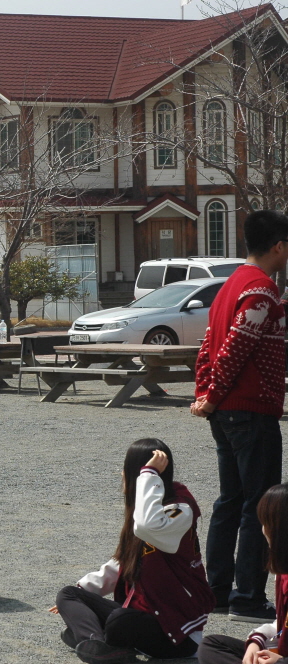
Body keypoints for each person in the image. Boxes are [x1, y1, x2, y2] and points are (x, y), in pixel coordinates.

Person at [191, 209, 288, 621]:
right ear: (279, 246)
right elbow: (236, 349)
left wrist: (204, 394)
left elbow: (208, 347)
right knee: (259, 504)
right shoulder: (261, 290)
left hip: (226, 412)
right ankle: (248, 598)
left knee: (230, 501)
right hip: (251, 408)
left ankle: (217, 591)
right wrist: (212, 395)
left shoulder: (230, 285)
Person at [51, 439, 213, 664]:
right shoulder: (143, 511)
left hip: (176, 634)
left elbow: (147, 526)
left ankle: (97, 640)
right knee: (68, 594)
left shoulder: (179, 509)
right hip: (143, 614)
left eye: (126, 469)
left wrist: (148, 473)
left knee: (120, 621)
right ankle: (94, 643)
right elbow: (123, 562)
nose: (121, 474)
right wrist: (83, 595)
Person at [197, 483, 288, 664]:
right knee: (211, 645)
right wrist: (256, 642)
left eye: (267, 524)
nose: (263, 531)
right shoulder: (283, 574)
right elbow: (280, 628)